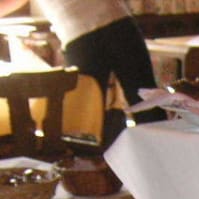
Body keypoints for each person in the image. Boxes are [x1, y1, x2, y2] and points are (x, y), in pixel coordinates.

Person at [0, 0, 166, 127]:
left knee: (86, 114)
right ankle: (164, 152)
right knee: (146, 100)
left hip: (82, 35)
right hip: (117, 23)